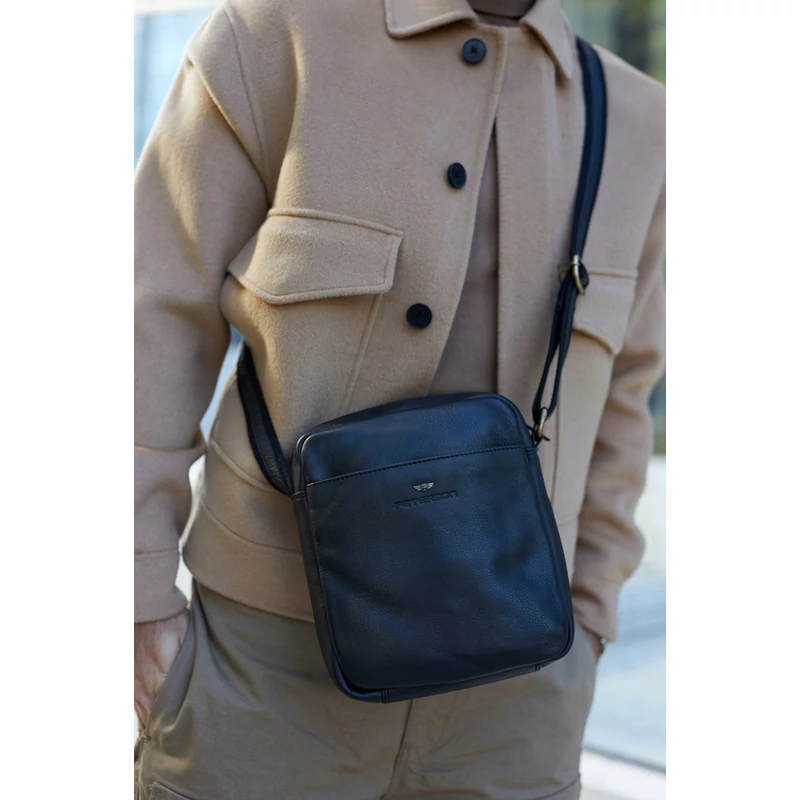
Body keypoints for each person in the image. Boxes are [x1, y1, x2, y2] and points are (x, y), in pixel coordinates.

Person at [134, 0, 666, 797]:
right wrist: (134, 590)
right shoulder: (271, 37)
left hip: (520, 707)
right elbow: (150, 316)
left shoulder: (640, 123)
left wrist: (589, 620)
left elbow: (626, 393)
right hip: (263, 678)